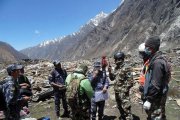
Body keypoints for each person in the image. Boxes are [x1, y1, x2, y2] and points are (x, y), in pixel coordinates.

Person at [143, 36, 170, 120]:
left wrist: (149, 100)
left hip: (156, 98)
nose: (145, 49)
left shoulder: (157, 63)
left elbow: (155, 84)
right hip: (156, 96)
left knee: (156, 117)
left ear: (152, 48)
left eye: (147, 47)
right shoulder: (154, 59)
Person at [108, 52, 133, 120]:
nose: (115, 61)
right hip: (117, 92)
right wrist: (110, 72)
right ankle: (123, 117)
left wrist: (124, 91)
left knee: (126, 108)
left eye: (116, 59)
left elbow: (130, 82)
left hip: (123, 93)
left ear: (120, 59)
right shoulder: (116, 68)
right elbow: (112, 78)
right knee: (119, 107)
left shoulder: (127, 68)